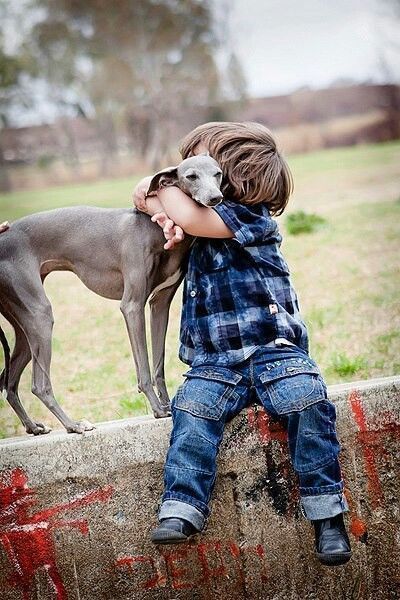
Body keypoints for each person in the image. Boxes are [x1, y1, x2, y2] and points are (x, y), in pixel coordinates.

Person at [132, 121, 352, 566]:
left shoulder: (249, 219)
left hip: (276, 355)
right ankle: (181, 509)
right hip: (214, 364)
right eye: (183, 174)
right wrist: (162, 208)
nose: (184, 178)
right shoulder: (198, 227)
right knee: (191, 416)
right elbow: (180, 221)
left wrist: (153, 187)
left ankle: (327, 514)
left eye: (199, 168)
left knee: (308, 405)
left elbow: (189, 214)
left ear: (230, 177)